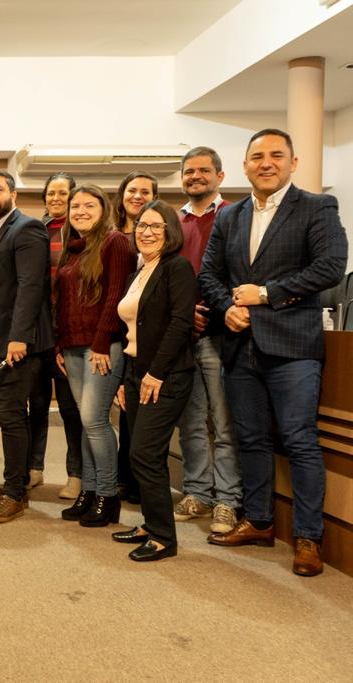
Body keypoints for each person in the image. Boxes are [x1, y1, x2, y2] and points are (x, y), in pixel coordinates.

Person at [200, 128, 348, 577]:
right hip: (240, 345)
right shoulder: (231, 216)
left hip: (293, 346)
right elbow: (210, 274)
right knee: (252, 439)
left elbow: (330, 268)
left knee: (299, 440)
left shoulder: (318, 207)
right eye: (257, 156)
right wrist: (227, 308)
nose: (266, 163)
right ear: (245, 165)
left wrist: (265, 294)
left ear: (293, 163)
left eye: (276, 155)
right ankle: (260, 521)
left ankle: (307, 538)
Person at [0, 170, 54, 523]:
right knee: (11, 417)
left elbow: (31, 287)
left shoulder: (27, 229)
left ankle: (15, 494)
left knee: (15, 419)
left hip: (21, 345)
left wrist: (18, 338)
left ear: (13, 194)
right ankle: (12, 483)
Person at [112, 200, 197, 561]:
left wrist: (155, 373)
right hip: (134, 371)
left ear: (170, 232)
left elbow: (180, 323)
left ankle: (164, 536)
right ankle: (150, 523)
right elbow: (129, 330)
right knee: (143, 454)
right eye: (141, 226)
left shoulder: (176, 268)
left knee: (144, 453)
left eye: (155, 226)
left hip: (165, 375)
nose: (146, 232)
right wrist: (124, 378)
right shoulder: (138, 272)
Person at [54, 185, 134, 527]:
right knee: (85, 424)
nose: (81, 211)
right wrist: (59, 345)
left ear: (105, 209)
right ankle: (88, 490)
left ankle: (107, 495)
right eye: (76, 206)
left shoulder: (115, 242)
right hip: (71, 347)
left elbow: (116, 295)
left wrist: (102, 343)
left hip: (101, 347)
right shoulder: (71, 249)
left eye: (89, 205)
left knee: (96, 420)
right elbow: (63, 301)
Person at [173, 147, 241, 534]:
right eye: (189, 171)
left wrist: (210, 311)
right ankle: (197, 490)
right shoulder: (175, 221)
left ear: (219, 175)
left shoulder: (233, 216)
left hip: (220, 332)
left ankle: (228, 500)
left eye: (203, 170)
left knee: (224, 420)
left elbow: (238, 271)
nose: (195, 176)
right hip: (183, 334)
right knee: (191, 421)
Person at [112, 171, 159, 504]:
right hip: (122, 335)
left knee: (146, 420)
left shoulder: (164, 242)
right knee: (126, 414)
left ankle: (143, 485)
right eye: (132, 190)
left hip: (154, 341)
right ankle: (124, 479)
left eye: (146, 191)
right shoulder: (115, 237)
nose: (138, 196)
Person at [39, 173, 85, 499]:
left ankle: (76, 473)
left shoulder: (82, 234)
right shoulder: (37, 232)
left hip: (70, 330)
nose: (56, 198)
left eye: (63, 193)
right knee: (36, 404)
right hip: (40, 330)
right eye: (51, 193)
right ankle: (32, 470)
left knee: (70, 407)